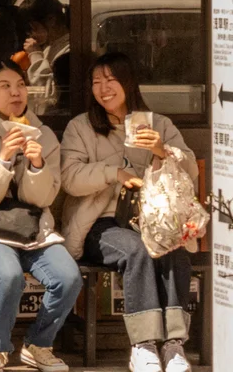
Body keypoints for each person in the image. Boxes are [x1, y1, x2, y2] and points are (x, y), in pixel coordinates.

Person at [60, 52, 198, 372]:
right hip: (99, 222)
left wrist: (161, 150)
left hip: (151, 219)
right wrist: (114, 173)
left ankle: (173, 345)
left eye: (111, 80)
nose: (103, 88)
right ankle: (143, 345)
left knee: (174, 249)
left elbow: (190, 170)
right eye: (97, 82)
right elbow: (69, 178)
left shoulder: (157, 124)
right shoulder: (80, 127)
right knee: (138, 250)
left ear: (129, 82)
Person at [0, 62, 79, 372]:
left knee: (68, 278)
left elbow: (43, 199)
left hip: (33, 232)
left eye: (21, 85)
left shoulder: (44, 135)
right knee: (8, 276)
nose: (15, 93)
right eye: (5, 86)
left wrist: (36, 165)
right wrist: (3, 158)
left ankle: (38, 344)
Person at [21, 0, 70, 114]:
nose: (31, 34)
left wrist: (35, 55)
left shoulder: (68, 52)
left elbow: (48, 96)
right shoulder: (49, 47)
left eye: (34, 28)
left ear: (51, 20)